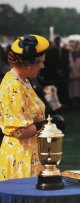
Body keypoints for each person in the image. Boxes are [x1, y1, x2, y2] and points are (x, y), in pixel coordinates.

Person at [0, 34, 51, 181]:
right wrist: (46, 124)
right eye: (41, 62)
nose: (43, 66)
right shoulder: (13, 85)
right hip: (21, 158)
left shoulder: (23, 80)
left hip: (30, 153)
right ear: (30, 63)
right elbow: (19, 131)